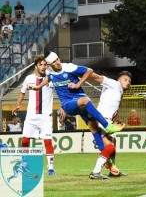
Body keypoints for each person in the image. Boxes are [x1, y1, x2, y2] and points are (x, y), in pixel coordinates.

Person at [29, 51, 125, 179]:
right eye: (54, 62)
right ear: (49, 64)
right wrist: (37, 87)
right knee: (86, 99)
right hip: (70, 105)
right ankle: (107, 126)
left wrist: (78, 84)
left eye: (58, 59)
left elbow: (89, 70)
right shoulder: (50, 73)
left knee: (95, 131)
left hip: (81, 106)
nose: (58, 63)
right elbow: (47, 78)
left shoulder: (68, 67)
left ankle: (104, 167)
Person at [12, 54, 56, 175]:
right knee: (25, 141)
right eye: (40, 64)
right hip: (31, 116)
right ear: (36, 66)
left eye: (45, 64)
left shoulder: (51, 78)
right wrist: (17, 105)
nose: (43, 66)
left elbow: (60, 91)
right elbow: (22, 92)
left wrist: (63, 106)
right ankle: (24, 164)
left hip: (45, 117)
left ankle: (51, 168)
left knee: (47, 141)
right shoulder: (29, 78)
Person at [87, 71, 131, 178]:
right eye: (125, 79)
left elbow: (112, 108)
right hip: (102, 120)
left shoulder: (119, 92)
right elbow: (98, 78)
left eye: (129, 81)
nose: (128, 82)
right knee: (110, 147)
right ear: (118, 80)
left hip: (107, 121)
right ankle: (96, 172)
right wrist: (85, 72)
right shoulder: (115, 84)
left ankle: (113, 170)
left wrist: (116, 120)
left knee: (113, 145)